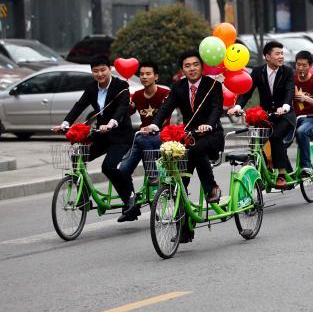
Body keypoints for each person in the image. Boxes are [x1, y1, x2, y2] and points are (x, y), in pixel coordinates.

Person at [142, 51, 224, 241]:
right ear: (182, 69)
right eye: (187, 66)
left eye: (195, 64)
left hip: (212, 135)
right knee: (179, 182)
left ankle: (211, 187)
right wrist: (154, 125)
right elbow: (166, 107)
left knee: (196, 149)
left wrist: (209, 124)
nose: (192, 69)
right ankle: (185, 230)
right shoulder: (178, 87)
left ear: (202, 67)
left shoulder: (213, 85)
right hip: (188, 136)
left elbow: (216, 108)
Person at [53, 58, 135, 220]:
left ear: (110, 69)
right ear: (92, 72)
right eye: (95, 71)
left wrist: (111, 123)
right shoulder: (91, 88)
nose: (99, 74)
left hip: (121, 136)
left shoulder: (121, 86)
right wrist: (65, 124)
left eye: (103, 70)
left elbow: (122, 108)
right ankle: (83, 197)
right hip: (101, 135)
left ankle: (130, 199)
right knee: (78, 156)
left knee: (109, 167)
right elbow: (79, 106)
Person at [229, 40, 297, 188]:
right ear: (267, 56)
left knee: (275, 137)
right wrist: (238, 106)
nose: (281, 57)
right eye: (277, 54)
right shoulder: (258, 71)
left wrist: (285, 106)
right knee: (257, 141)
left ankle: (281, 174)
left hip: (285, 115)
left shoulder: (287, 71)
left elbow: (289, 90)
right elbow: (247, 91)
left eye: (282, 53)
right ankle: (263, 171)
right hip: (267, 116)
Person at [117, 62, 169, 220]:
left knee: (144, 139)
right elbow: (126, 111)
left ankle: (152, 173)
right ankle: (131, 203)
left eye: (148, 74)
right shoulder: (138, 95)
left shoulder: (165, 93)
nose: (145, 77)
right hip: (142, 138)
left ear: (156, 76)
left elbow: (170, 110)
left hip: (161, 137)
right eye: (142, 74)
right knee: (123, 170)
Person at [292, 50, 313, 176]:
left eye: (304, 65)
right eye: (298, 65)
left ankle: (306, 167)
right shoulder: (292, 80)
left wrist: (305, 99)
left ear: (310, 66)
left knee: (301, 132)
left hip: (310, 117)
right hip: (292, 117)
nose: (300, 68)